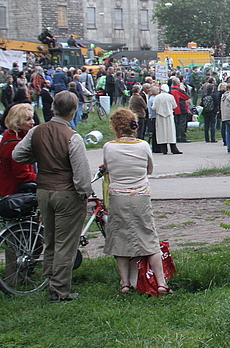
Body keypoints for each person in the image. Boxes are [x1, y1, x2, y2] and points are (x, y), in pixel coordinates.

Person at [12, 91, 91, 302]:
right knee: (66, 243)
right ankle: (59, 289)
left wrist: (37, 155)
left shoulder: (36, 131)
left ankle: (49, 278)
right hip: (66, 194)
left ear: (52, 107)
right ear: (73, 111)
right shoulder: (72, 137)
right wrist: (85, 194)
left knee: (51, 240)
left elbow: (17, 154)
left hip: (44, 190)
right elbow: (81, 174)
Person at [102, 109, 171, 296]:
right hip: (141, 195)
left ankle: (125, 283)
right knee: (148, 234)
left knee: (120, 237)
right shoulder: (143, 146)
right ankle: (161, 282)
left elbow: (107, 168)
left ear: (115, 127)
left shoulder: (109, 147)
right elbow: (149, 169)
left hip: (118, 197)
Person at [0, 103, 38, 197]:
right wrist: (46, 178)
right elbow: (23, 175)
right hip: (13, 190)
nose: (32, 122)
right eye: (28, 119)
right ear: (17, 121)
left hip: (7, 186)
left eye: (32, 118)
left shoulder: (9, 134)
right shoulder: (15, 144)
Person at [152, 84, 182, 155]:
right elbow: (174, 106)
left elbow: (153, 107)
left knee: (161, 132)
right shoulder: (170, 97)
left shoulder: (157, 97)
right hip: (169, 115)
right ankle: (173, 148)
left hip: (160, 116)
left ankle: (164, 149)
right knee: (170, 132)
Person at [169, 77, 191, 144]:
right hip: (181, 109)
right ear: (178, 83)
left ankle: (176, 136)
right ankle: (182, 137)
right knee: (182, 124)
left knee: (175, 123)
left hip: (173, 109)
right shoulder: (179, 91)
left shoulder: (171, 91)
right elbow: (186, 97)